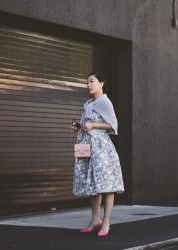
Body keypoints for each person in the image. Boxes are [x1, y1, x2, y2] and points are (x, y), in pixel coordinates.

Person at [71, 72, 125, 237]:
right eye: (87, 82)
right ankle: (95, 220)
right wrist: (79, 126)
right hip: (88, 147)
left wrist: (93, 124)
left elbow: (113, 125)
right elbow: (88, 124)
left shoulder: (104, 102)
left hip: (102, 149)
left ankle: (106, 222)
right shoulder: (88, 103)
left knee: (107, 185)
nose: (88, 85)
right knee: (93, 185)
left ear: (101, 83)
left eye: (92, 81)